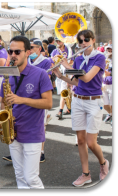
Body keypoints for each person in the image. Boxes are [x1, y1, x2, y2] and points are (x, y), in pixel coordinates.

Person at [52, 29, 109, 186]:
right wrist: (61, 75)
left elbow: (88, 77)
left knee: (91, 142)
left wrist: (67, 65)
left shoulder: (100, 57)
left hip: (94, 101)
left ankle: (103, 163)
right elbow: (78, 82)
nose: (83, 43)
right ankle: (86, 174)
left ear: (93, 40)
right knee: (81, 140)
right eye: (80, 41)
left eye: (86, 40)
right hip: (78, 100)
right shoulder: (77, 60)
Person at [0, 36, 53, 189]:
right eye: (11, 51)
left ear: (28, 52)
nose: (13, 55)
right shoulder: (8, 74)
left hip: (32, 132)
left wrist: (21, 100)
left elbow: (48, 103)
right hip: (13, 131)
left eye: (17, 51)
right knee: (20, 176)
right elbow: (4, 100)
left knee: (31, 178)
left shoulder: (40, 74)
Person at [29, 38, 53, 163]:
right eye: (29, 47)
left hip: (39, 95)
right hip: (27, 95)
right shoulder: (26, 60)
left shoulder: (45, 61)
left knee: (40, 125)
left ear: (39, 48)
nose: (30, 50)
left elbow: (46, 79)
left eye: (32, 47)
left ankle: (41, 151)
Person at [51, 37, 74, 119]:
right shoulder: (54, 51)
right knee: (63, 92)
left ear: (63, 42)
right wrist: (54, 58)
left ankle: (60, 110)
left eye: (59, 41)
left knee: (63, 92)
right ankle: (68, 108)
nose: (58, 42)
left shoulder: (69, 50)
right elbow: (51, 62)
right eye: (57, 41)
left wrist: (66, 63)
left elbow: (71, 62)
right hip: (59, 73)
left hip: (67, 73)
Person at [102, 46, 112, 125]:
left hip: (111, 84)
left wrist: (110, 74)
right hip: (104, 84)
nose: (109, 51)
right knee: (105, 105)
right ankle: (110, 114)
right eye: (108, 50)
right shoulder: (105, 60)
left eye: (111, 50)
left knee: (112, 104)